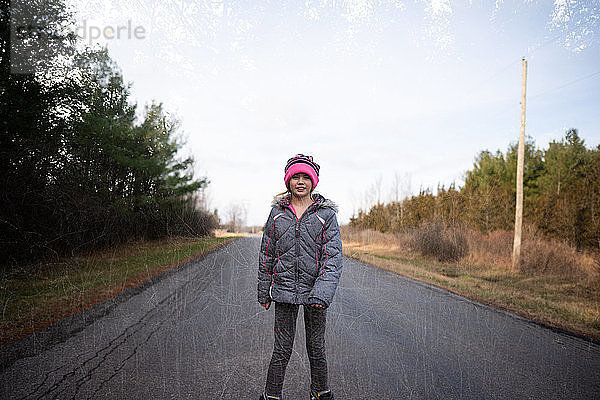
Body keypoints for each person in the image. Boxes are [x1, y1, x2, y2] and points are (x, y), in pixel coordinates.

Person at [257, 154, 343, 400]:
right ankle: (271, 395)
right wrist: (264, 291)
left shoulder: (325, 216)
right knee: (282, 349)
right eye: (296, 176)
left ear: (314, 182)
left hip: (316, 293)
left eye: (306, 177)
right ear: (288, 181)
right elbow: (267, 255)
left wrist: (321, 293)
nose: (301, 181)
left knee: (316, 347)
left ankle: (320, 392)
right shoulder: (277, 214)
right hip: (284, 292)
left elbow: (333, 257)